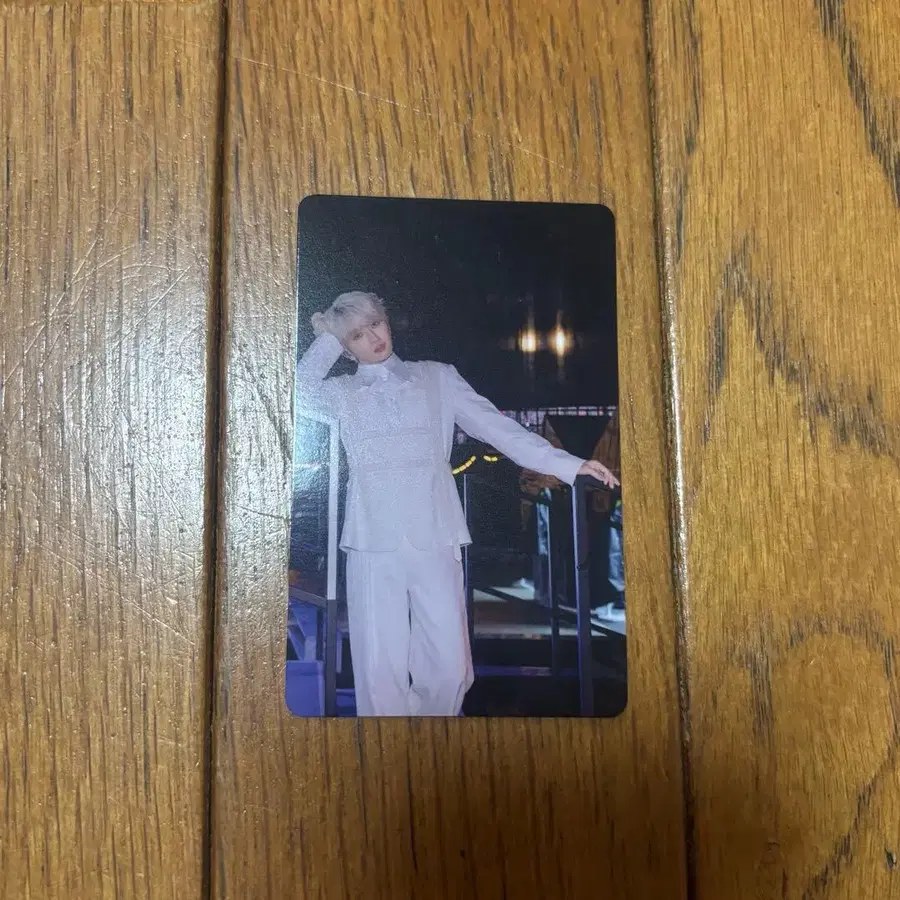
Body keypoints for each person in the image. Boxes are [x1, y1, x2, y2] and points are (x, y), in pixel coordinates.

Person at [296, 291, 619, 716]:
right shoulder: (340, 392)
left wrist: (570, 465)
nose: (373, 337)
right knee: (378, 669)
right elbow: (297, 391)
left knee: (451, 668)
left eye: (375, 323)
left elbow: (498, 430)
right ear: (345, 347)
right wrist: (329, 335)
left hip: (436, 532)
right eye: (357, 335)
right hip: (370, 541)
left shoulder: (437, 377)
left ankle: (431, 735)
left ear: (387, 320)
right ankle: (388, 747)